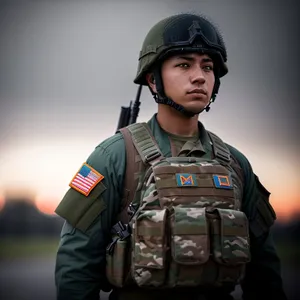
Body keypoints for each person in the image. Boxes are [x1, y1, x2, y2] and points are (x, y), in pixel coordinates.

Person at [54, 13, 288, 300]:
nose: (200, 76)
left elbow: (265, 272)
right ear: (153, 80)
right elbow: (76, 264)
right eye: (184, 65)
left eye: (208, 67)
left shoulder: (236, 164)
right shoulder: (114, 155)